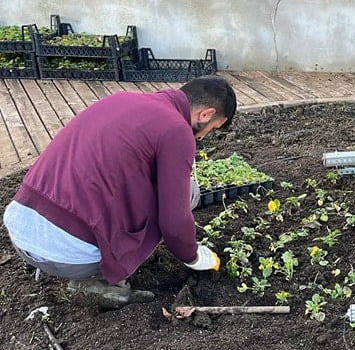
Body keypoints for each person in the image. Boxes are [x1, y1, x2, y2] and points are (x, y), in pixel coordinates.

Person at [2, 76, 237, 309]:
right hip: (67, 256)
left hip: (21, 223)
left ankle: (75, 256)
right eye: (212, 129)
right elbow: (173, 222)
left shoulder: (122, 99)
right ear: (206, 114)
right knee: (185, 195)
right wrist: (194, 257)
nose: (203, 137)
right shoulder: (176, 129)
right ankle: (95, 281)